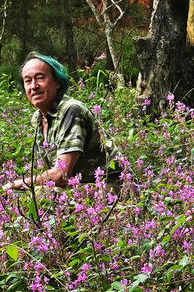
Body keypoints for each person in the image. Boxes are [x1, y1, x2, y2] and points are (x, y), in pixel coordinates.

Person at [8, 53, 116, 191]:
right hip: (77, 187)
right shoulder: (38, 118)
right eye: (28, 81)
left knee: (42, 194)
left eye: (40, 78)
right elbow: (45, 172)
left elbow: (61, 175)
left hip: (109, 188)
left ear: (57, 82)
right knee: (17, 195)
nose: (34, 86)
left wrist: (15, 184)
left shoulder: (72, 110)